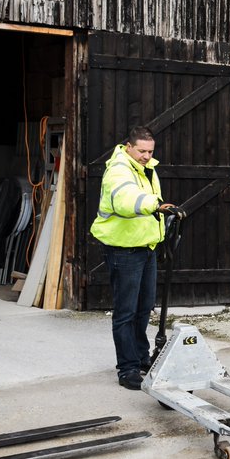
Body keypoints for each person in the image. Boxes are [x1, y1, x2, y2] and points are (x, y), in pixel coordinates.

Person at [90, 126, 174, 390]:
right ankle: (127, 369)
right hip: (124, 250)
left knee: (143, 308)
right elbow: (126, 201)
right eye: (142, 151)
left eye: (150, 151)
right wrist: (154, 204)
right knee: (126, 311)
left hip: (145, 247)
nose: (147, 156)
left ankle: (140, 358)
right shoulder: (119, 170)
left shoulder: (146, 168)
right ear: (129, 146)